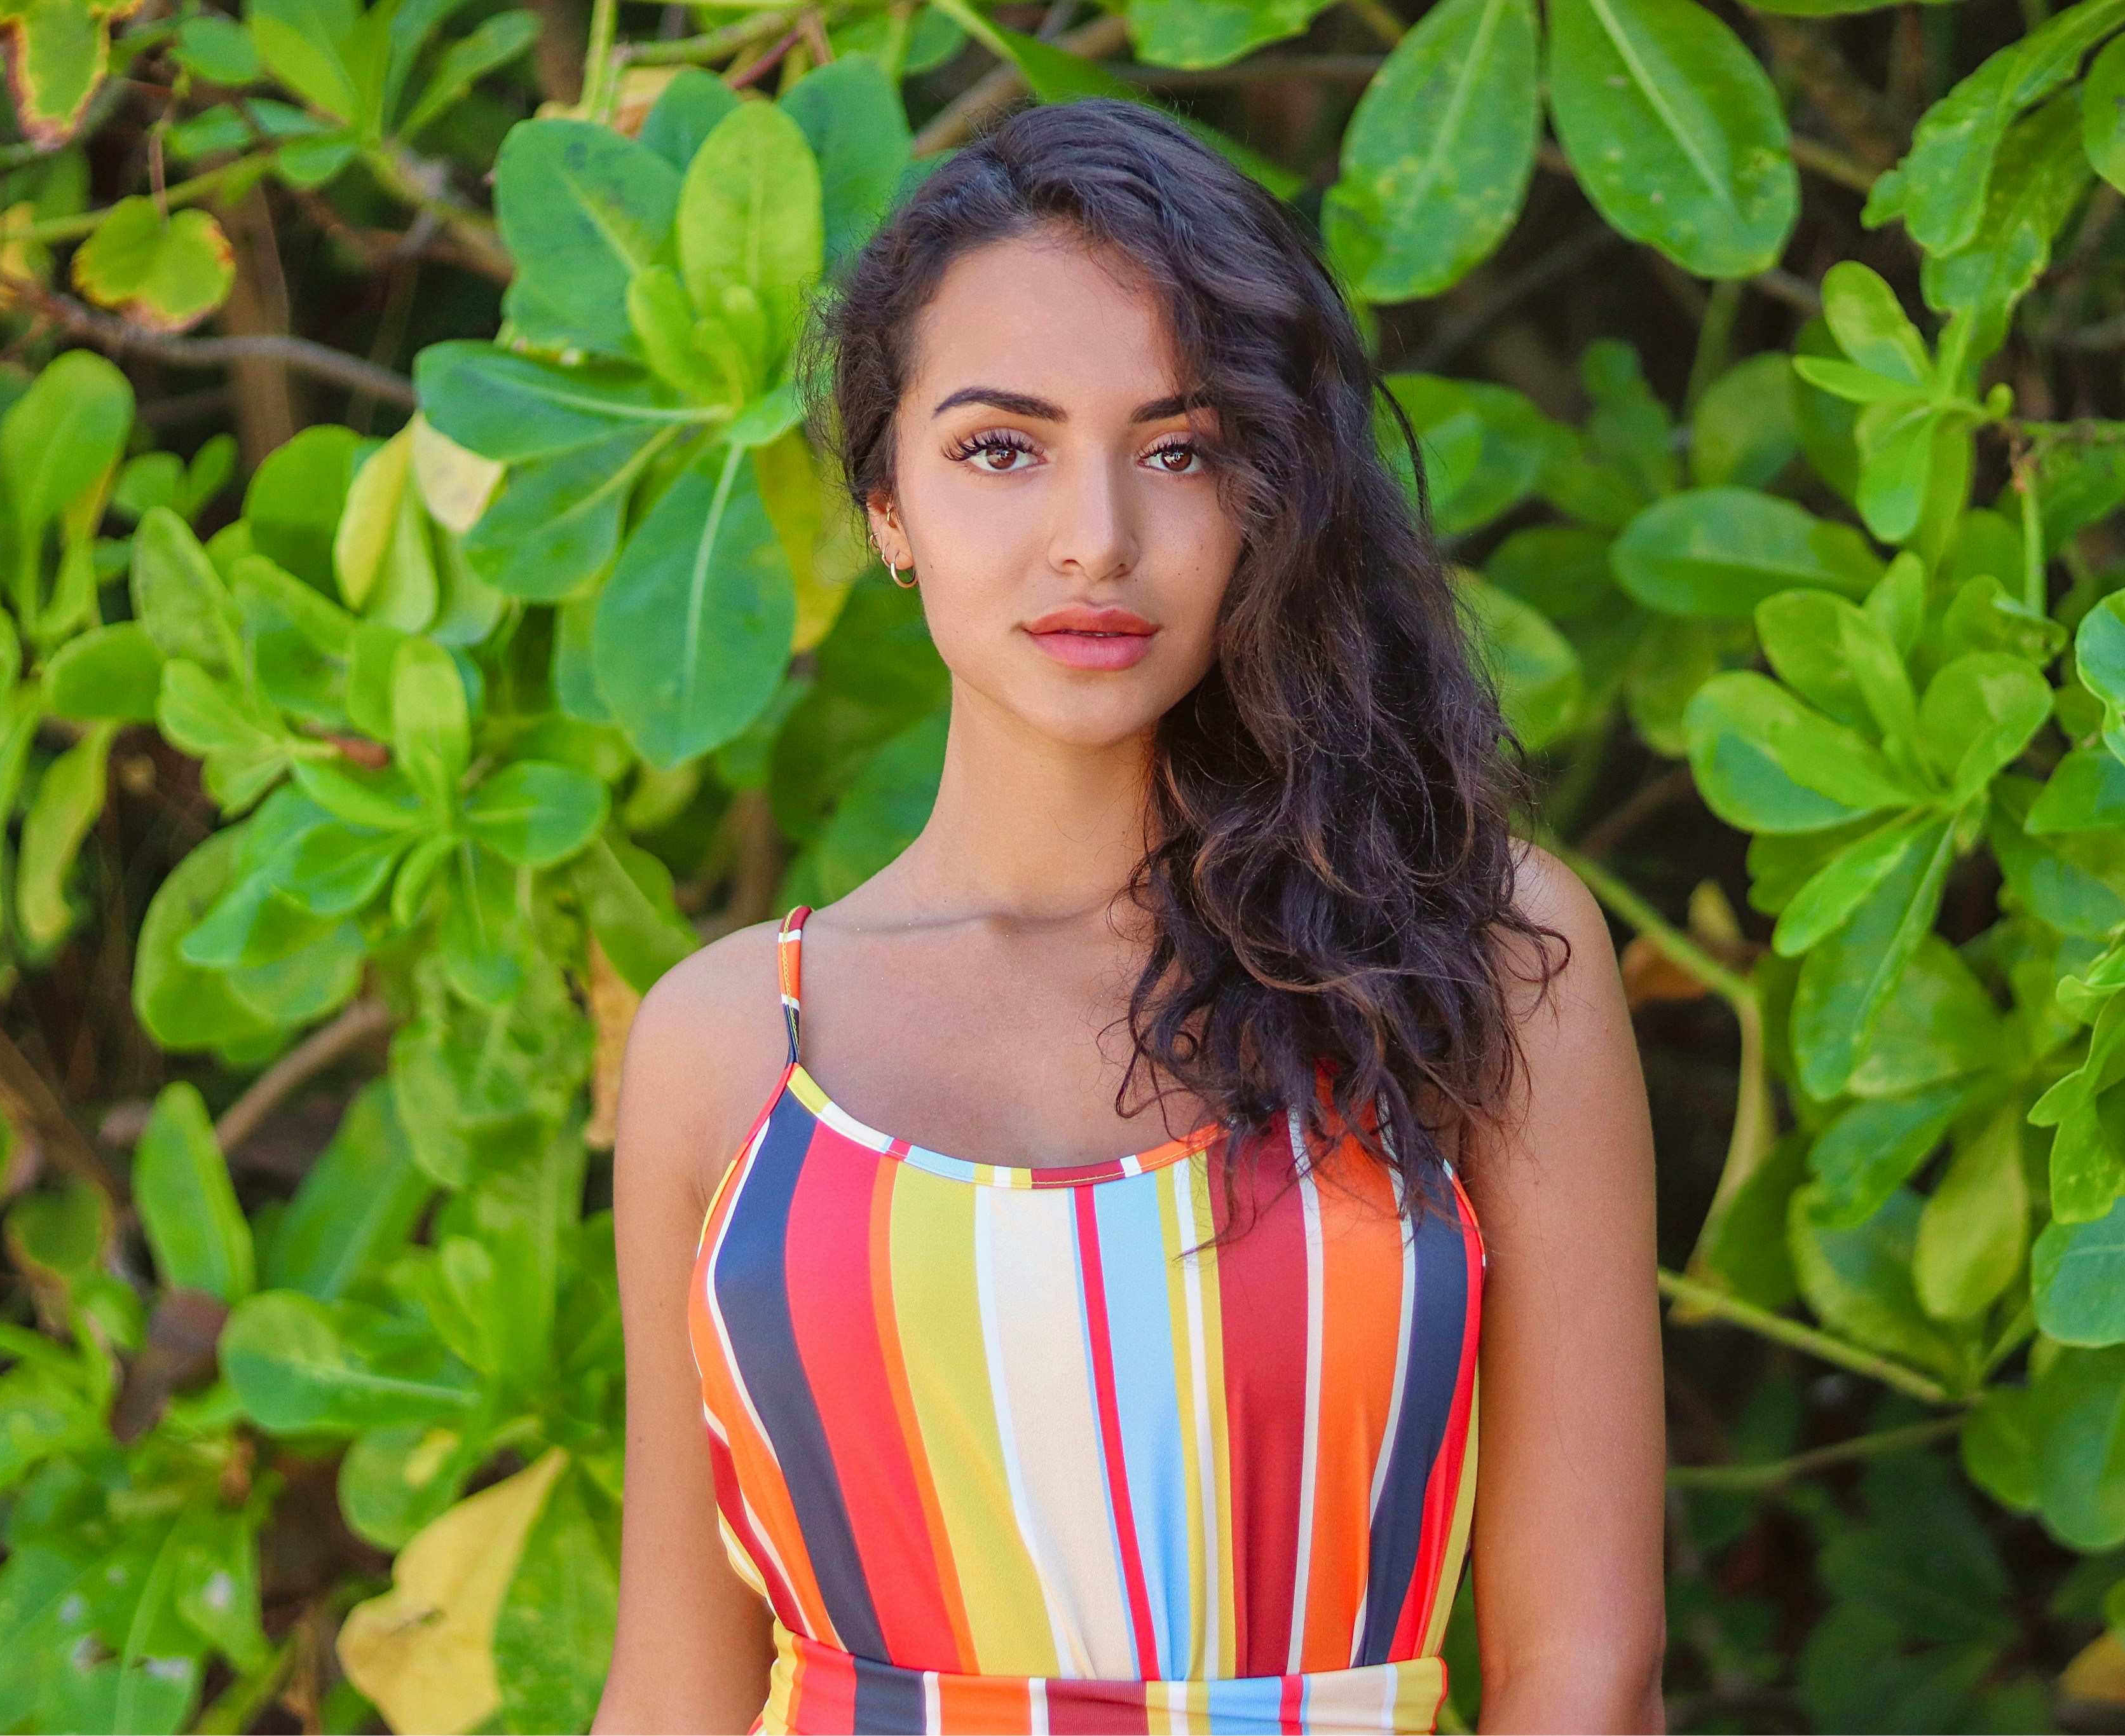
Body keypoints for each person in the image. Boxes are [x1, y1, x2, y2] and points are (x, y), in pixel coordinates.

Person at [594, 96, 1666, 1736]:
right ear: (886, 505)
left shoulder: (1472, 955)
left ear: (1268, 495)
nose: (1095, 538)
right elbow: (673, 1690)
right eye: (1000, 448)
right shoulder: (728, 1044)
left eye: (1179, 449)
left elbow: (1580, 1672)